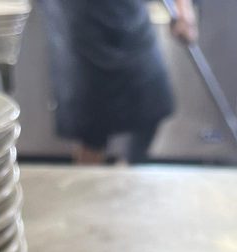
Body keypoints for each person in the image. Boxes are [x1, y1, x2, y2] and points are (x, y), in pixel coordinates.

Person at [40, 0, 197, 165]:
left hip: (128, 20)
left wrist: (184, 12)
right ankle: (88, 180)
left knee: (153, 101)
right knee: (90, 122)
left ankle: (130, 167)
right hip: (79, 25)